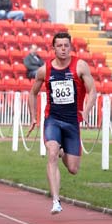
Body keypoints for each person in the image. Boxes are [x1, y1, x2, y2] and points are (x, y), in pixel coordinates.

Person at [27, 32, 96, 214]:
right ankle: (56, 200)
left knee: (73, 168)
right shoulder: (45, 70)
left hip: (72, 122)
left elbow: (93, 91)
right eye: (60, 46)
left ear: (71, 47)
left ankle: (63, 150)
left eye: (66, 45)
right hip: (53, 119)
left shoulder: (80, 66)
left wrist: (86, 111)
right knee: (51, 152)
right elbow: (32, 93)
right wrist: (34, 117)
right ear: (54, 48)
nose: (63, 49)